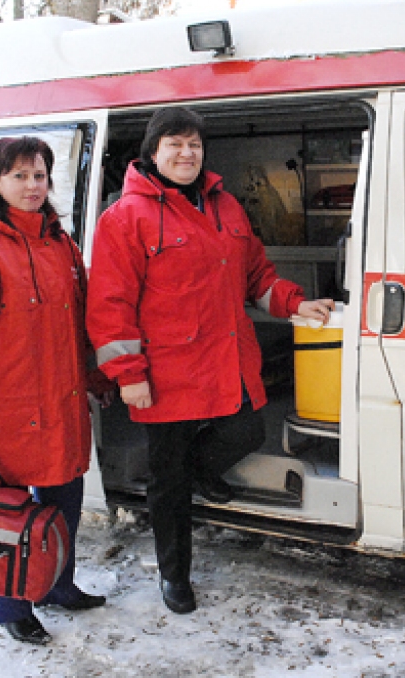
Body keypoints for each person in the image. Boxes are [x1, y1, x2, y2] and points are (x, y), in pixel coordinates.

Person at [87, 107, 333, 615]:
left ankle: (201, 470)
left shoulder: (226, 207)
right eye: (174, 144)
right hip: (165, 370)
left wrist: (293, 303)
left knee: (245, 432)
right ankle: (175, 575)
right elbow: (109, 306)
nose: (186, 153)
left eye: (194, 144)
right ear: (152, 153)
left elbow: (256, 275)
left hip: (225, 355)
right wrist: (128, 375)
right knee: (167, 478)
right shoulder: (125, 218)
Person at [0, 136, 113, 645]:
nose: (33, 186)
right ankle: (10, 605)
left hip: (59, 403)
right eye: (20, 176)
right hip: (1, 417)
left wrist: (96, 378)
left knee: (62, 505)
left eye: (40, 176)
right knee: (5, 516)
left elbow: (78, 324)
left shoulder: (59, 242)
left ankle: (56, 585)